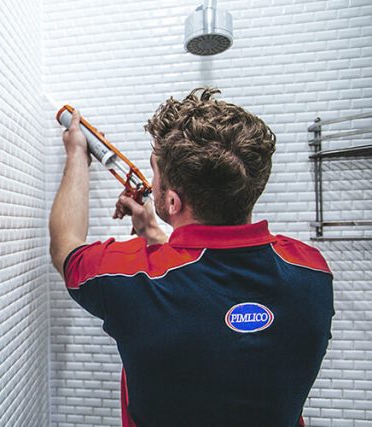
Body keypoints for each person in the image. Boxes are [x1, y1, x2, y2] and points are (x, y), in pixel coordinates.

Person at [49, 88, 334, 427]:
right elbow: (213, 296)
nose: (151, 182)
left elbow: (65, 245)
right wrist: (154, 233)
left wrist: (77, 153)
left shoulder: (127, 276)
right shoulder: (312, 271)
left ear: (172, 202)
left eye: (155, 173)